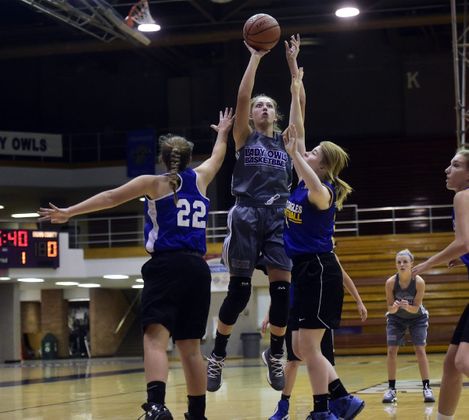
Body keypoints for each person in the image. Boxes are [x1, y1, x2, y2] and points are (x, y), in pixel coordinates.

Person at [38, 108, 234, 420]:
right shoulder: (201, 178)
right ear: (187, 158)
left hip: (166, 266)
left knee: (154, 339)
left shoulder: (153, 183)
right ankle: (197, 414)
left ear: (162, 158)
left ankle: (157, 407)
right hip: (198, 269)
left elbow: (109, 197)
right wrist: (222, 133)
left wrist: (69, 212)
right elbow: (219, 157)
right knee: (191, 348)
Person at [206, 36, 304, 393]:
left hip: (279, 216)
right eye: (258, 106)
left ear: (275, 115)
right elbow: (242, 98)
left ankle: (275, 353)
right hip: (246, 214)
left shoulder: (287, 141)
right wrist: (256, 58)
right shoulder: (244, 137)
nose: (262, 108)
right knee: (239, 293)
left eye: (268, 106)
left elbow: (299, 105)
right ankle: (217, 355)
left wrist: (294, 70)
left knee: (282, 294)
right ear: (251, 115)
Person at [282, 61, 365, 418]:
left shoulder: (322, 190)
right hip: (304, 269)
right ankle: (342, 399)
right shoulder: (304, 181)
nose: (307, 151)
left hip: (318, 269)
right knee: (301, 345)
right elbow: (297, 132)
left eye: (314, 152)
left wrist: (295, 154)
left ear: (323, 165)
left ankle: (326, 408)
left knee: (310, 347)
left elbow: (298, 152)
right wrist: (296, 82)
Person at [266, 262, 368, 420]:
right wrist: (271, 312)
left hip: (316, 304)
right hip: (293, 309)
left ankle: (326, 407)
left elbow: (343, 276)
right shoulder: (292, 253)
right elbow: (280, 287)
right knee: (294, 358)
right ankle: (284, 407)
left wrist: (359, 300)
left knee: (319, 357)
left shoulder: (321, 254)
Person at [412, 147, 469, 420]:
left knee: (463, 361)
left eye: (456, 165)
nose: (448, 169)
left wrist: (425, 265)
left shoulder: (463, 196)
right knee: (451, 364)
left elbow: (463, 242)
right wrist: (464, 259)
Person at [382, 249, 435, 404]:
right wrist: (396, 307)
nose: (402, 264)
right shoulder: (390, 282)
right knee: (391, 350)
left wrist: (406, 306)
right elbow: (390, 308)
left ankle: (426, 387)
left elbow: (416, 308)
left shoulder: (419, 282)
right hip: (396, 318)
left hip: (417, 318)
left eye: (405, 261)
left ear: (412, 263)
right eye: (399, 262)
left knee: (419, 349)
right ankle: (391, 389)